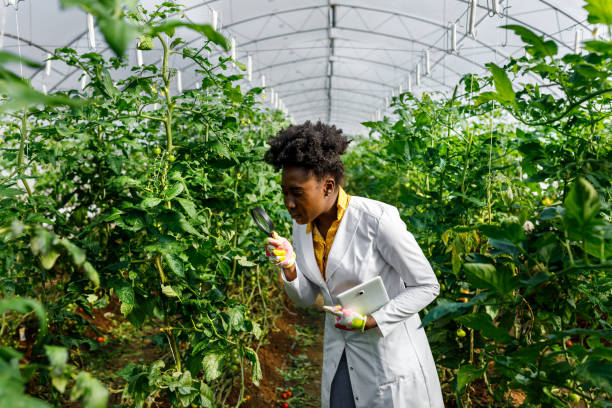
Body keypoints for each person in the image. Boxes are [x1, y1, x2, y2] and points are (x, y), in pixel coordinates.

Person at [262, 121, 444, 408]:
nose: (289, 203)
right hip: (341, 353)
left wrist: (373, 320)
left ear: (328, 186)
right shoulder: (302, 227)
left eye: (297, 193)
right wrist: (290, 267)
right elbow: (308, 297)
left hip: (387, 354)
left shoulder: (377, 221)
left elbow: (426, 285)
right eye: (285, 192)